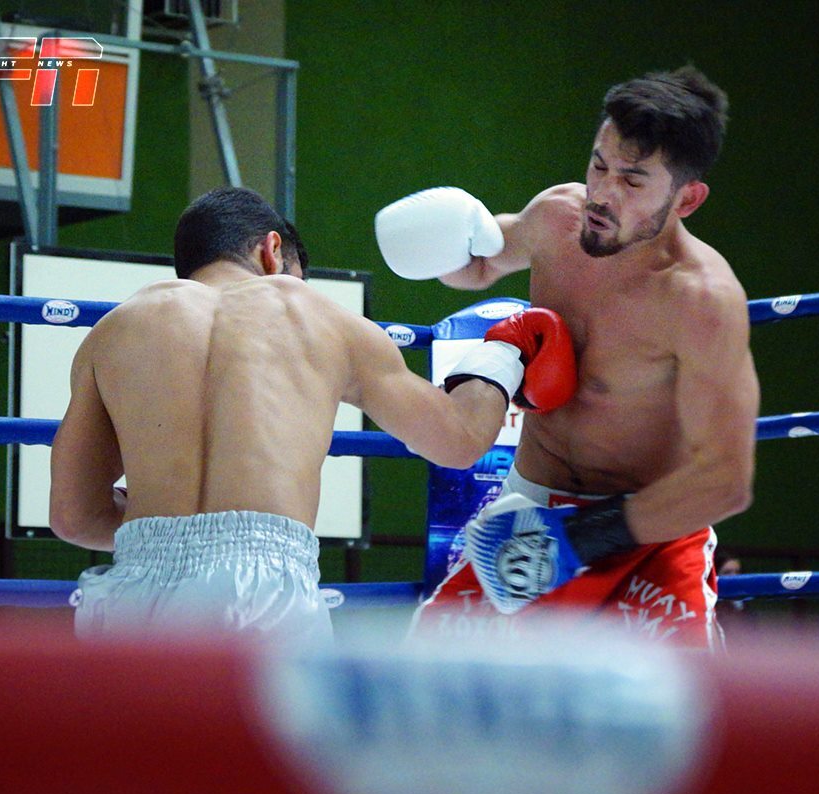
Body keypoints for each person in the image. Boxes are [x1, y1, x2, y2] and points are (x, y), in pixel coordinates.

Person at [50, 187, 576, 642]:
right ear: (271, 250)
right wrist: (503, 354)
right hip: (262, 594)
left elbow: (74, 517)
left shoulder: (115, 332)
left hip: (134, 586)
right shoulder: (317, 316)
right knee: (261, 760)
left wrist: (163, 514)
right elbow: (459, 441)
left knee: (138, 759)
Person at [378, 66, 758, 649]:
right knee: (427, 684)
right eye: (598, 164)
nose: (602, 193)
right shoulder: (559, 217)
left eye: (633, 181)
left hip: (646, 533)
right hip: (530, 502)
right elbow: (479, 265)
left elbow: (727, 481)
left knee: (672, 720)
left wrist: (583, 538)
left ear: (687, 198)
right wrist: (449, 239)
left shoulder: (702, 301)